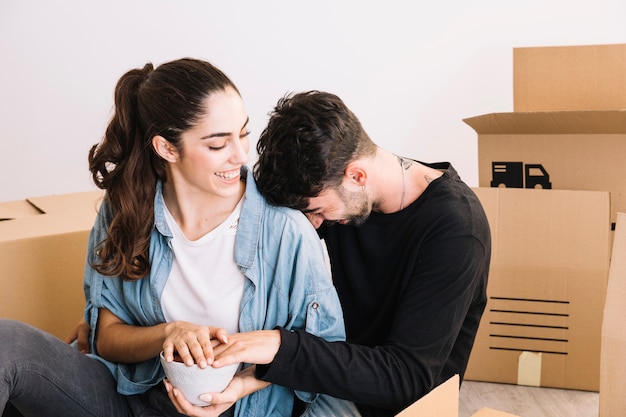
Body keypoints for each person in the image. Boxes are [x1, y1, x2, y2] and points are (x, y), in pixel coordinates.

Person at [0, 61, 345, 417]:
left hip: (236, 409)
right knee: (5, 342)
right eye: (217, 144)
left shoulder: (285, 230)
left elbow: (321, 351)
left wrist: (239, 386)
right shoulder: (126, 210)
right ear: (167, 148)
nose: (241, 155)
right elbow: (105, 337)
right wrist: (170, 333)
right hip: (131, 397)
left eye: (242, 134)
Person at [207, 90, 491, 417]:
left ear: (356, 176)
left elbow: (407, 380)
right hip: (329, 377)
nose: (312, 225)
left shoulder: (456, 231)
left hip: (391, 405)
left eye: (315, 211)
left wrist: (280, 348)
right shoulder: (340, 192)